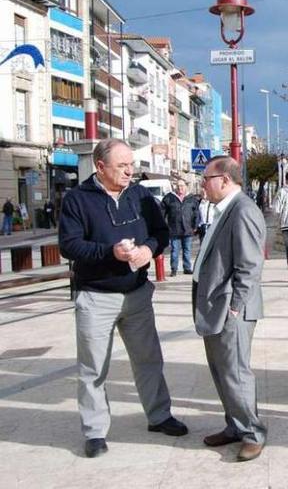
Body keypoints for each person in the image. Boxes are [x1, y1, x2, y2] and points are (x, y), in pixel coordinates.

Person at [58, 138, 187, 459]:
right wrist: (110, 252)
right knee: (93, 368)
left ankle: (159, 416)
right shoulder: (77, 200)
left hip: (137, 294)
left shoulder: (140, 195)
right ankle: (95, 431)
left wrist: (149, 250)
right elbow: (69, 246)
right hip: (95, 296)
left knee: (149, 359)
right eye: (122, 166)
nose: (130, 171)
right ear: (100, 167)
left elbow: (161, 232)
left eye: (131, 164)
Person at [192, 156, 267, 462]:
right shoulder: (224, 210)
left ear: (223, 180)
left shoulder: (243, 211)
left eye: (206, 178)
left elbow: (250, 266)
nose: (202, 184)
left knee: (235, 373)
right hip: (217, 306)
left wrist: (235, 307)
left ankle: (252, 433)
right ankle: (235, 426)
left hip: (230, 309)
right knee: (222, 372)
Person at [161, 180, 199, 276]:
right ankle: (174, 269)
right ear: (175, 187)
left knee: (187, 250)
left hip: (188, 229)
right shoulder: (169, 198)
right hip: (174, 230)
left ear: (186, 186)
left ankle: (187, 268)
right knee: (175, 250)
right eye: (178, 186)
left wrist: (195, 226)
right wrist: (164, 225)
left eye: (182, 186)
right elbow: (162, 213)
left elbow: (196, 214)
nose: (180, 188)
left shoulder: (191, 198)